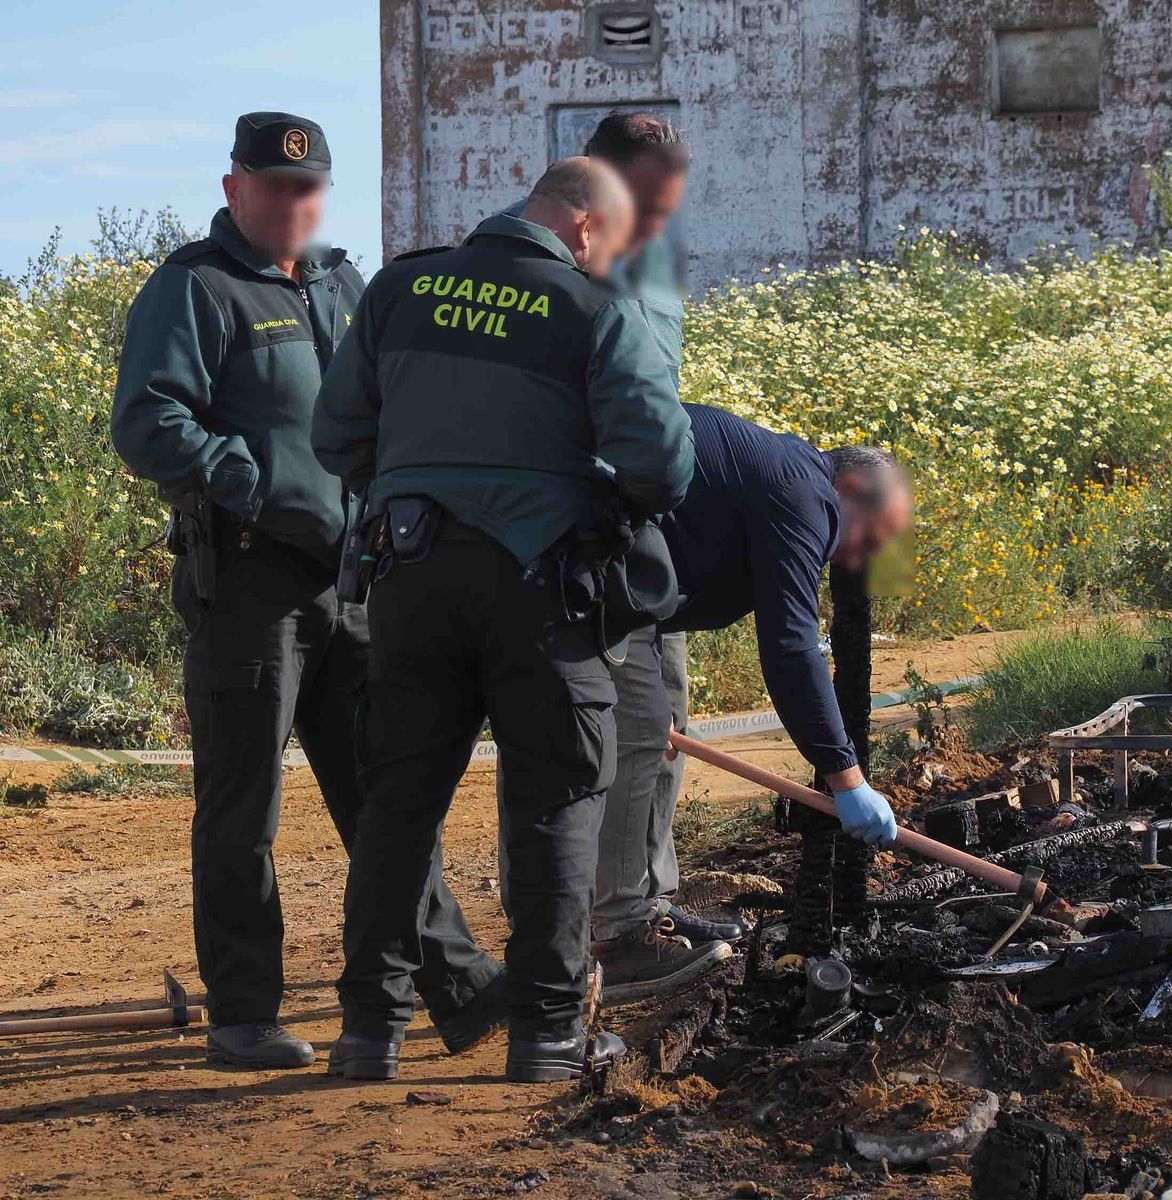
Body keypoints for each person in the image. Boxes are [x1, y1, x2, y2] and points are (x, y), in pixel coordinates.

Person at [110, 112, 504, 1070]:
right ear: (235, 185)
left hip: (357, 582)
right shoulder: (195, 288)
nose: (294, 204)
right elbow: (146, 420)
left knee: (385, 797)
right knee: (243, 811)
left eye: (309, 189)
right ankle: (244, 1016)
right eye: (276, 187)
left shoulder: (339, 281)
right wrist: (253, 484)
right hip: (250, 585)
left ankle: (459, 986)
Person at [312, 157, 694, 1082]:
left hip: (407, 579)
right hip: (542, 592)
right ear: (589, 233)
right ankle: (549, 1037)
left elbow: (336, 438)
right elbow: (663, 462)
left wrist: (417, 490)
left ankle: (370, 1034)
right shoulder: (594, 309)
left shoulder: (401, 288)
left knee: (399, 804)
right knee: (555, 802)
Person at [493, 112, 728, 1001]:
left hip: (643, 531)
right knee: (581, 736)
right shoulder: (551, 265)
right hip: (571, 543)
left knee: (661, 725)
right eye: (649, 205)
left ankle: (645, 903)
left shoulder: (654, 267)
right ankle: (588, 929)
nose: (661, 223)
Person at [594, 403, 910, 1002]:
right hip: (605, 557)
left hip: (653, 573)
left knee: (669, 723)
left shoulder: (794, 482)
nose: (861, 558)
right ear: (847, 488)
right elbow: (791, 647)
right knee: (639, 735)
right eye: (870, 536)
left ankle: (651, 902)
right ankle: (617, 932)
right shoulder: (803, 493)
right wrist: (846, 777)